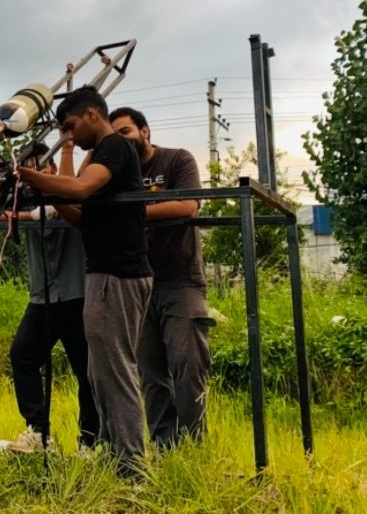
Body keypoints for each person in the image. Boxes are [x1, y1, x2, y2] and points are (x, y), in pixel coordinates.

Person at [15, 85, 153, 479]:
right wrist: (43, 189)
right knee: (99, 372)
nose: (70, 136)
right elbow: (79, 213)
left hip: (117, 276)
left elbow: (79, 188)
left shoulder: (113, 148)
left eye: (72, 127)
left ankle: (131, 469)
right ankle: (114, 455)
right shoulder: (104, 154)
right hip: (106, 274)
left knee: (115, 371)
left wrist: (27, 176)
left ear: (93, 114)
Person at [109, 107, 215, 449]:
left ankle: (193, 448)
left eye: (125, 132)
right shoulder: (115, 173)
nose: (121, 140)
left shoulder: (177, 160)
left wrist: (129, 214)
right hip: (138, 284)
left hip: (180, 279)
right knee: (150, 375)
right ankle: (164, 449)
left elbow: (187, 206)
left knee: (188, 366)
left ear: (145, 131)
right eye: (114, 136)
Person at [0, 142, 100, 454]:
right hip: (42, 298)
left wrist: (17, 215)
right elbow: (1, 211)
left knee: (86, 371)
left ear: (54, 169)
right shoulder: (23, 199)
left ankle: (90, 441)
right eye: (29, 168)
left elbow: (53, 209)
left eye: (41, 166)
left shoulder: (65, 195)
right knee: (22, 355)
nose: (36, 174)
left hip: (75, 295)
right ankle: (38, 430)